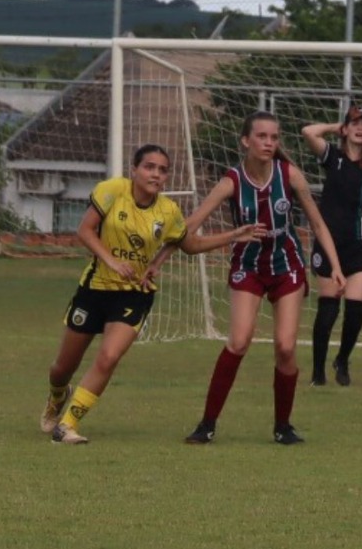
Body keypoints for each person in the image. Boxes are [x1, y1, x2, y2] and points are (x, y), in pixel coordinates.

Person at [40, 145, 262, 444]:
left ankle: (66, 425)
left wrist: (233, 236)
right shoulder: (112, 190)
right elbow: (85, 231)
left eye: (162, 169)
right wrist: (112, 262)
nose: (156, 174)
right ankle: (57, 396)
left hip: (134, 295)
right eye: (149, 167)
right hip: (94, 290)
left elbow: (189, 244)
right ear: (134, 169)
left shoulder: (168, 211)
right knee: (62, 367)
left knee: (109, 356)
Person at [183, 111, 346, 446]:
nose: (269, 143)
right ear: (246, 140)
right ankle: (207, 423)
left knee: (285, 347)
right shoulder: (231, 181)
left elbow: (317, 224)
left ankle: (283, 426)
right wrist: (230, 235)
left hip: (286, 265)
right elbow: (188, 227)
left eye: (274, 137)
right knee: (239, 341)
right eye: (262, 136)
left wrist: (336, 266)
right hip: (249, 266)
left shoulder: (290, 175)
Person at [301, 106, 362, 387]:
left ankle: (343, 359)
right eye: (356, 123)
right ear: (347, 129)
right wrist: (336, 125)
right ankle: (318, 371)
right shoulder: (333, 158)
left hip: (360, 246)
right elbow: (308, 132)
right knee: (328, 309)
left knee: (355, 308)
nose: (361, 128)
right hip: (330, 245)